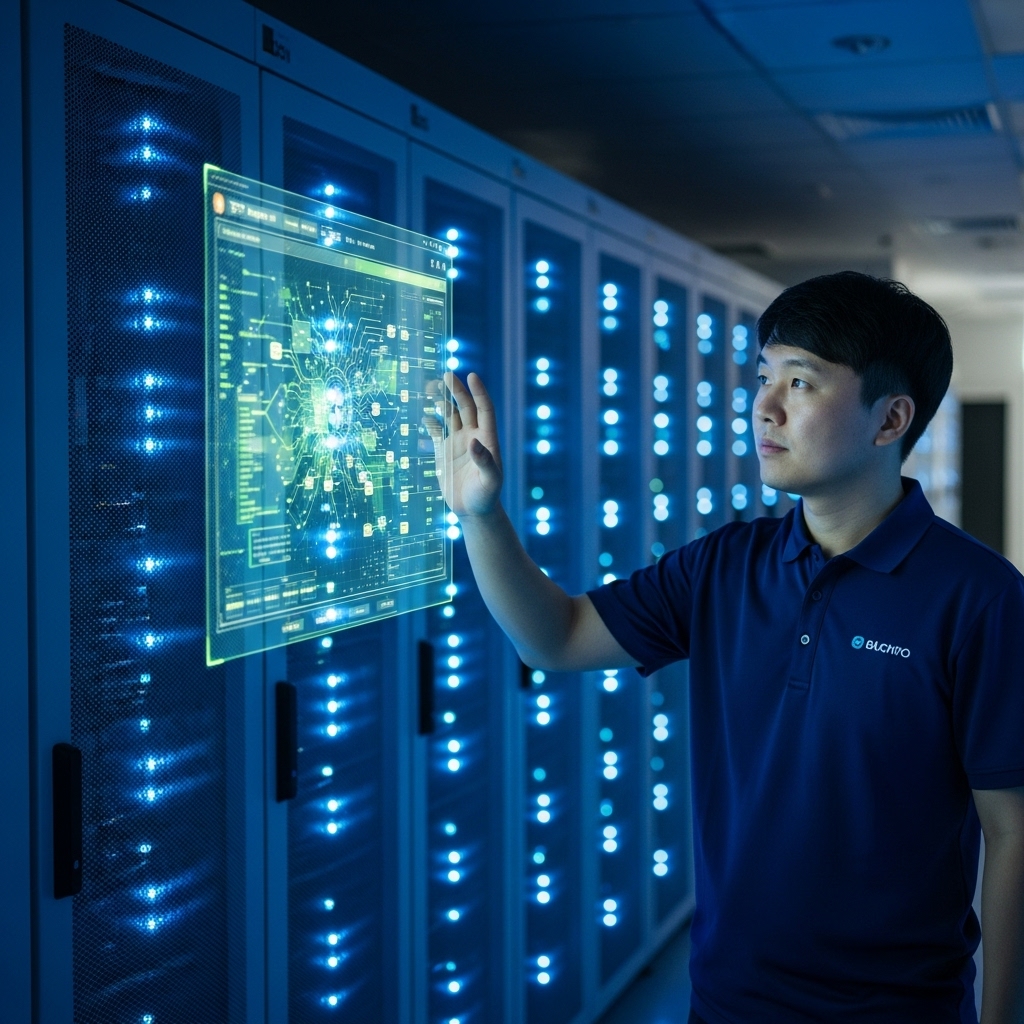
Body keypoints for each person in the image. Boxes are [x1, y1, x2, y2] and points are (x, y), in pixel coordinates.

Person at [427, 271, 1024, 1024]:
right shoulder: (722, 566)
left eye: (801, 383)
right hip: (726, 1002)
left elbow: (1013, 829)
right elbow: (559, 637)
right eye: (764, 377)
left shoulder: (978, 595)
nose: (763, 407)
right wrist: (481, 517)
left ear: (889, 420)